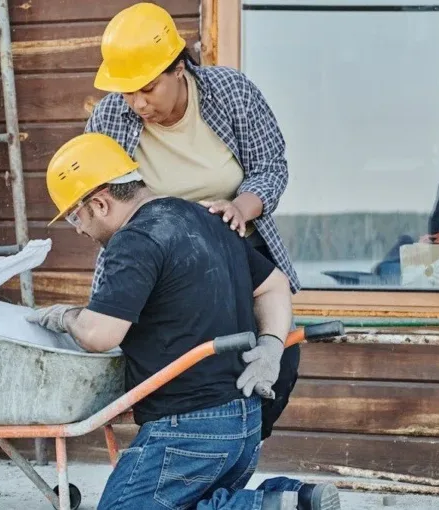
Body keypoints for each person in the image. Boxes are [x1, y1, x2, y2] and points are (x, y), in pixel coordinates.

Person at [27, 133, 340, 510]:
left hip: (188, 432)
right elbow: (274, 285)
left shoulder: (135, 239)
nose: (78, 228)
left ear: (100, 202)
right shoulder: (206, 217)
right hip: (242, 424)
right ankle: (293, 498)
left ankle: (262, 507)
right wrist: (271, 345)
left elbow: (99, 334)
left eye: (76, 216)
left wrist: (65, 316)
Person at [85, 2, 301, 441]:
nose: (137, 103)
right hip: (161, 263)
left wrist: (242, 207)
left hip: (238, 250)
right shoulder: (110, 117)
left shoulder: (231, 92)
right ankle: (184, 461)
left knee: (275, 370)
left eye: (147, 88)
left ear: (179, 68)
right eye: (127, 92)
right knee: (174, 376)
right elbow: (100, 198)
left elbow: (271, 167)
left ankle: (234, 457)